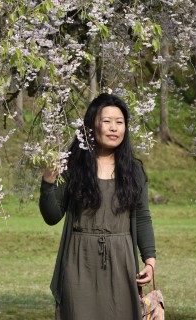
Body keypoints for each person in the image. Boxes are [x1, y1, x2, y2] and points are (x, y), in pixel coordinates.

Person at [39, 93, 156, 320]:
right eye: (107, 121)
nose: (114, 128)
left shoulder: (134, 171)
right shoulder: (72, 167)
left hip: (122, 259)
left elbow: (142, 217)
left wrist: (149, 260)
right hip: (79, 260)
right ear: (91, 126)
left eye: (119, 122)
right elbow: (52, 216)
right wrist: (47, 183)